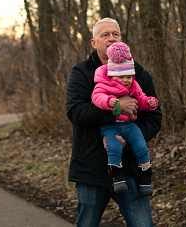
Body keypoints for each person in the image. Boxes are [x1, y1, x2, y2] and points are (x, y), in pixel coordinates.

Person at [66, 18, 162, 227]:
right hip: (91, 168)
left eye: (115, 34)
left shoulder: (138, 73)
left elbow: (154, 117)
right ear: (94, 42)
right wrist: (117, 108)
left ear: (121, 39)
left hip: (129, 168)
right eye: (105, 35)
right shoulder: (82, 73)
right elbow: (75, 112)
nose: (111, 38)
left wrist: (129, 140)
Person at [91, 41, 158, 196]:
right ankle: (117, 177)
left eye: (129, 76)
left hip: (129, 125)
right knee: (113, 148)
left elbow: (140, 99)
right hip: (110, 126)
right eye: (122, 76)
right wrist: (109, 102)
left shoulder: (134, 86)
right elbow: (97, 97)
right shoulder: (104, 85)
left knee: (141, 146)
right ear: (113, 76)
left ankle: (145, 176)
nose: (126, 80)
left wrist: (148, 103)